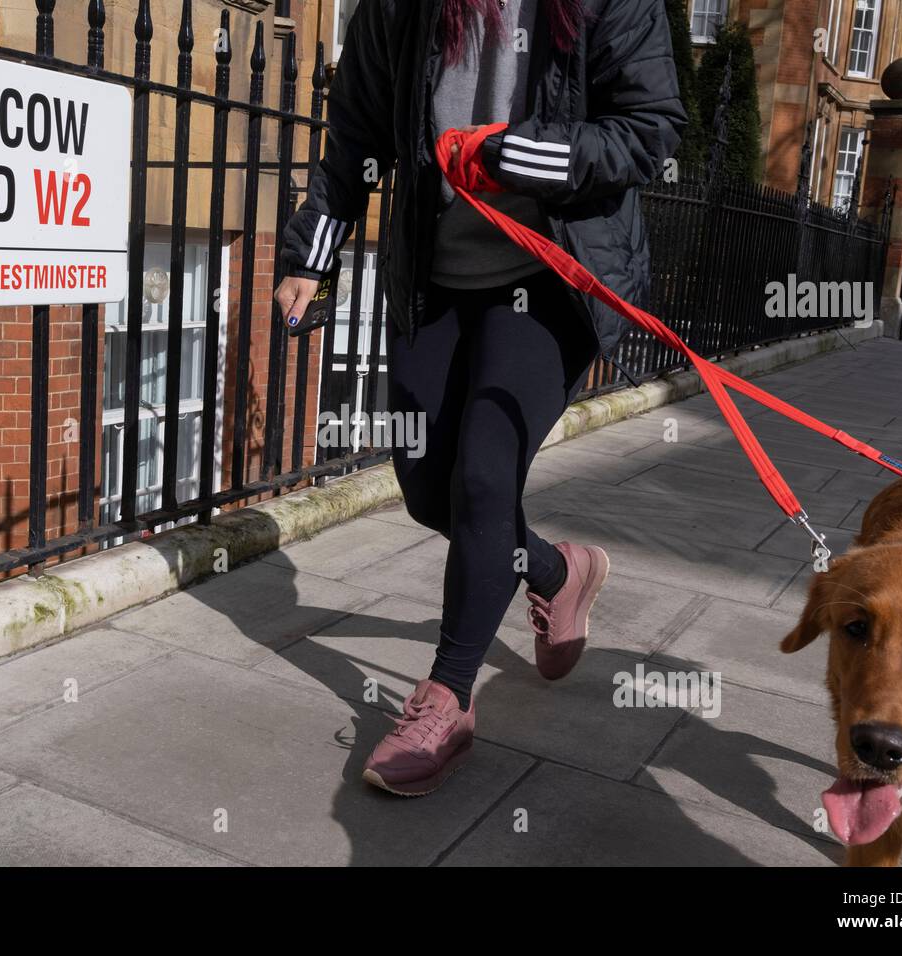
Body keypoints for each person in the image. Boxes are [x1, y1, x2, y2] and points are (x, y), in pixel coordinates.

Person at [274, 0, 686, 796]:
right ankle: (559, 572)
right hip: (435, 277)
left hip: (555, 276)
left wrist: (527, 156)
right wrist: (312, 255)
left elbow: (650, 128)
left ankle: (448, 700)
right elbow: (355, 138)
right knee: (432, 493)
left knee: (486, 479)